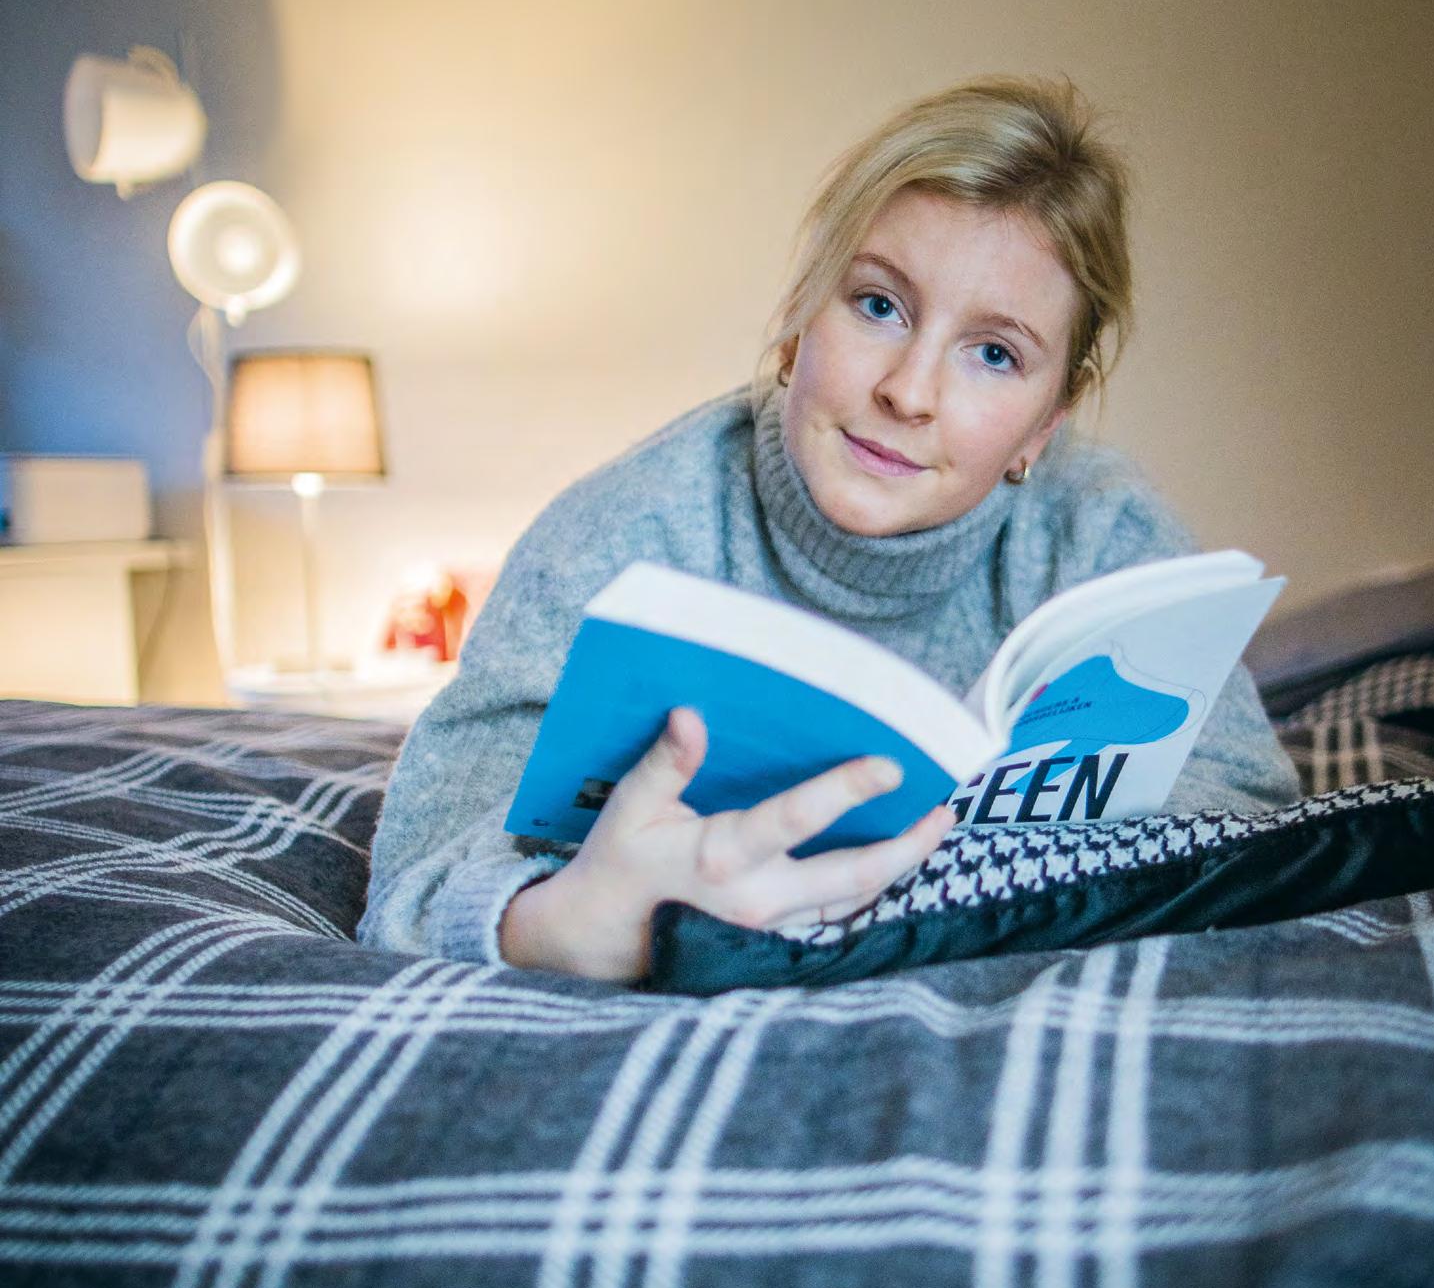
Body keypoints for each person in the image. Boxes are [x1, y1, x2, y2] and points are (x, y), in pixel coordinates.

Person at [356, 73, 1301, 983]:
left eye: (994, 354)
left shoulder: (1100, 533)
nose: (909, 392)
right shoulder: (621, 534)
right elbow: (414, 877)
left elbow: (1250, 806)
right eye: (878, 305)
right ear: (800, 315)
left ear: (1046, 422)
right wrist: (556, 926)